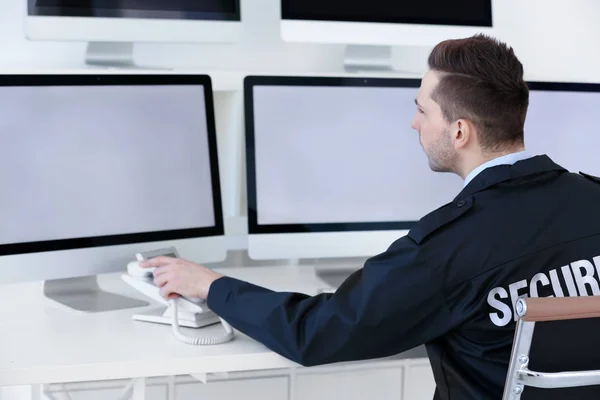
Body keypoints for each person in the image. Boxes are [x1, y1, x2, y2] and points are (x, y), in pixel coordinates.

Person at [140, 34, 600, 399]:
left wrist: (211, 286)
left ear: (459, 131)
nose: (414, 123)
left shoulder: (447, 249)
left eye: (422, 109)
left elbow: (315, 334)